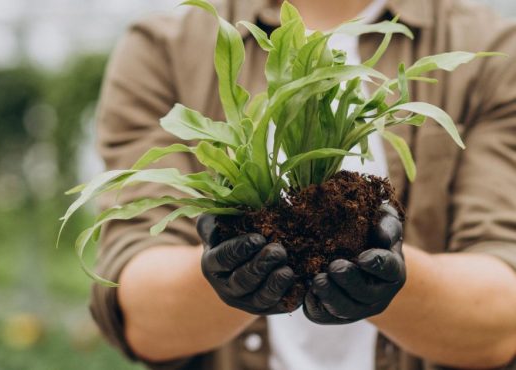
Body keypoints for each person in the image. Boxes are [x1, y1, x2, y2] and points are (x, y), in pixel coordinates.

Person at [89, 0, 516, 369]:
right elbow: (141, 314)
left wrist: (383, 269)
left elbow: (502, 316)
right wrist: (228, 268)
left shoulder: (492, 48)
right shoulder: (165, 47)